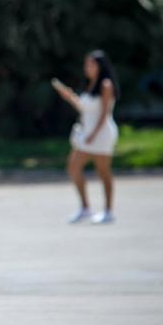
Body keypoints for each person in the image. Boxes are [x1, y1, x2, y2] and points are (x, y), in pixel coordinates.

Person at [51, 50, 119, 224]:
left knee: (103, 172)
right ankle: (85, 208)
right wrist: (69, 96)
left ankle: (108, 211)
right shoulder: (91, 85)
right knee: (73, 167)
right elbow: (84, 108)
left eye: (91, 64)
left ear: (100, 66)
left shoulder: (105, 84)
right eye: (86, 64)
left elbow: (104, 114)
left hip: (101, 134)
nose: (87, 68)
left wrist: (94, 135)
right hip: (87, 133)